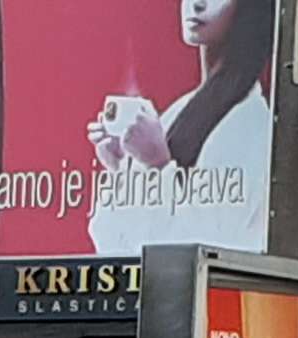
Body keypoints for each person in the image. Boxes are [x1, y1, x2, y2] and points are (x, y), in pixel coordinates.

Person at [87, 0, 274, 255]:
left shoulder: (251, 124)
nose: (197, 4)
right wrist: (121, 168)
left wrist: (158, 165)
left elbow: (208, 249)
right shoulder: (181, 110)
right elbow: (110, 243)